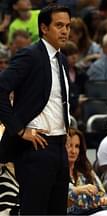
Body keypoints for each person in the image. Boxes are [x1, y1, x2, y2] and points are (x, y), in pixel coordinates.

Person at [0, 4, 71, 214]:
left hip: (60, 145)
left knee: (58, 210)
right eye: (59, 25)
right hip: (36, 147)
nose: (65, 30)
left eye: (67, 25)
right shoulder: (30, 55)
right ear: (43, 28)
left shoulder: (62, 59)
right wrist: (19, 129)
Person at [66, 128, 107, 216]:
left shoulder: (86, 172)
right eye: (69, 146)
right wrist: (76, 190)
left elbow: (102, 195)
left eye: (77, 146)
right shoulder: (55, 172)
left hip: (91, 212)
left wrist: (104, 200)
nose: (73, 151)